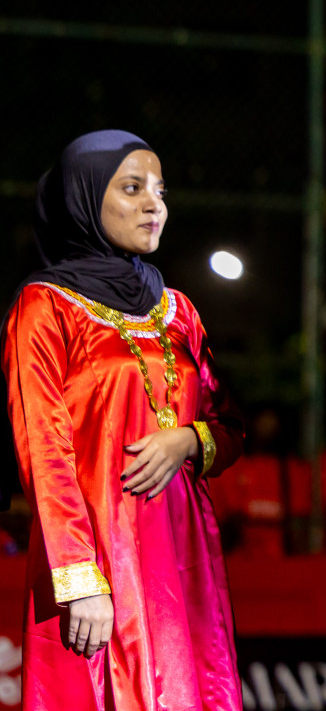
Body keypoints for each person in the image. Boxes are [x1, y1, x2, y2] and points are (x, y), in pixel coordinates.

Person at [2, 130, 244, 710]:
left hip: (180, 558)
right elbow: (45, 448)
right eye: (132, 188)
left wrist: (188, 440)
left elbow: (230, 428)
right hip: (97, 553)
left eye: (160, 191)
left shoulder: (178, 310)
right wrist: (79, 579)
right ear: (82, 197)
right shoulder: (46, 306)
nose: (153, 204)